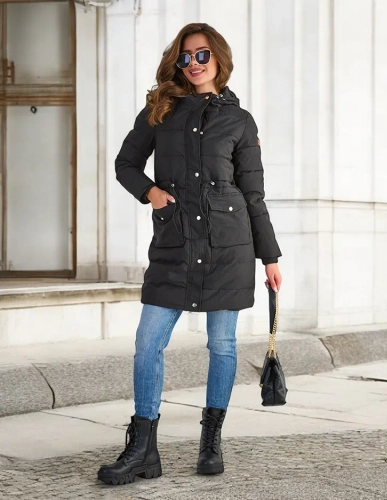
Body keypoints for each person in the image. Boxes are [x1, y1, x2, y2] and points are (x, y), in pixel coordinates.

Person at [97, 22, 282, 486]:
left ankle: (211, 441)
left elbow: (253, 194)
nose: (194, 64)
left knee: (222, 345)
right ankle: (143, 449)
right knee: (148, 343)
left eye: (202, 55)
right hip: (174, 245)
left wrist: (270, 257)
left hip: (228, 247)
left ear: (219, 57)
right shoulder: (160, 111)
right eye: (185, 57)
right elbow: (125, 164)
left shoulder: (240, 122)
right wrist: (151, 193)